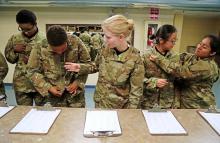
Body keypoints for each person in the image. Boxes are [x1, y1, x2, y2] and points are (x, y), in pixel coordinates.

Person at [65, 15, 144, 109]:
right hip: (100, 102)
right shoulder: (105, 49)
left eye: (108, 37)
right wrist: (80, 67)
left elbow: (136, 92)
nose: (104, 39)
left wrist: (130, 114)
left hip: (119, 108)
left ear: (121, 37)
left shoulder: (135, 58)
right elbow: (96, 66)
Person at [27, 25, 91, 107]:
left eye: (63, 49)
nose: (60, 52)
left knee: (75, 119)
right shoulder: (40, 46)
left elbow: (87, 65)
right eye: (55, 51)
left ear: (66, 41)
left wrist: (78, 82)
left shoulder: (76, 42)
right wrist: (48, 87)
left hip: (74, 97)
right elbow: (31, 71)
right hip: (49, 98)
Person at [150, 34, 220, 109]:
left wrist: (159, 60)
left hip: (199, 106)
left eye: (204, 47)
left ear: (212, 53)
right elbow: (177, 56)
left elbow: (181, 72)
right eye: (200, 43)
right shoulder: (193, 57)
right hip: (186, 103)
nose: (199, 47)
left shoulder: (207, 67)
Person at [4, 9, 46, 106]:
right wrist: (14, 50)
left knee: (42, 113)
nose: (25, 32)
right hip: (21, 84)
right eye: (22, 29)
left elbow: (53, 62)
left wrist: (34, 61)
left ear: (35, 24)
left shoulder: (45, 39)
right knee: (23, 113)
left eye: (28, 29)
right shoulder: (15, 38)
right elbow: (10, 59)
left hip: (40, 83)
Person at [141, 24, 179, 109]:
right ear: (161, 40)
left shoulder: (175, 57)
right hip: (149, 104)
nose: (174, 44)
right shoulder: (146, 56)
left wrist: (176, 104)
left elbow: (178, 75)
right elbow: (138, 79)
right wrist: (153, 82)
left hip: (168, 104)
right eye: (172, 41)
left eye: (175, 41)